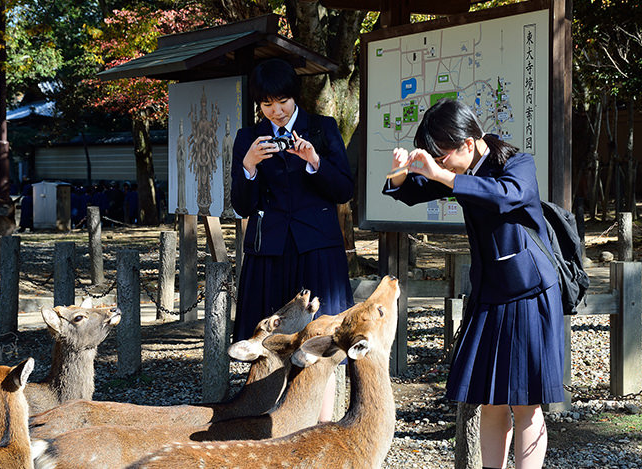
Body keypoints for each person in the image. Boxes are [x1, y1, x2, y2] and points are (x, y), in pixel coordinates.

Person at [382, 99, 564, 469]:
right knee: (491, 398)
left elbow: (505, 196)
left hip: (529, 293)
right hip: (489, 293)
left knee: (526, 403)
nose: (441, 164)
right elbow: (413, 191)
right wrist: (400, 175)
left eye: (444, 156)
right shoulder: (460, 167)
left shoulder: (517, 163)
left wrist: (444, 176)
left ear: (467, 143)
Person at [230, 58, 354, 422]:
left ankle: (322, 422)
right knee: (270, 340)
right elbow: (241, 205)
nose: (276, 111)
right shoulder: (247, 137)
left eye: (282, 101)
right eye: (267, 104)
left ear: (294, 97)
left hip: (318, 249)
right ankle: (273, 420)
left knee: (322, 339)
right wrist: (248, 167)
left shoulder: (323, 128)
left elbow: (343, 189)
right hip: (269, 250)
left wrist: (315, 161)